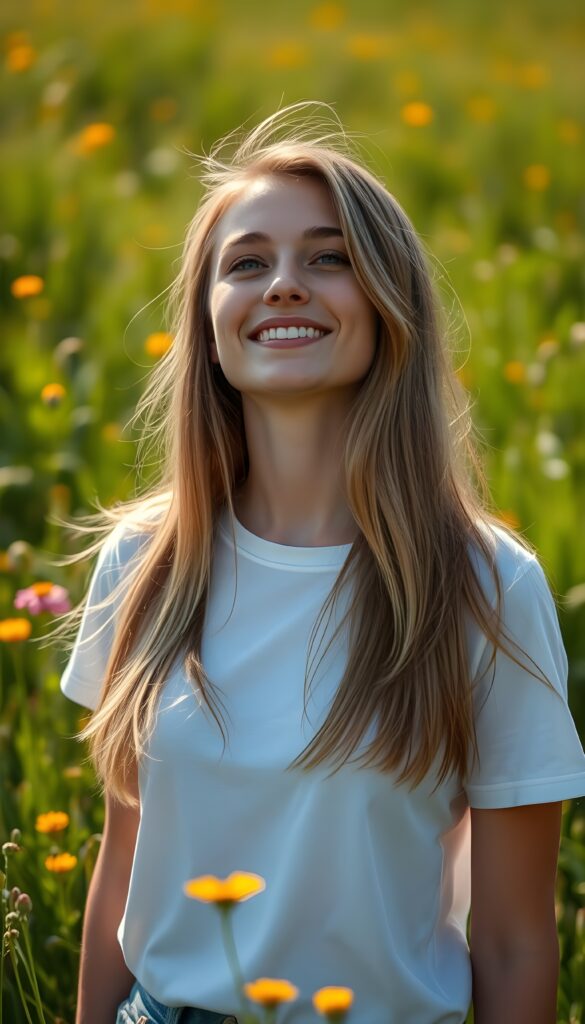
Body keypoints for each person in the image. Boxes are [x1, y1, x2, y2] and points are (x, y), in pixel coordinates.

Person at [59, 101, 585, 1024]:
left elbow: (511, 940)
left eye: (328, 257)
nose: (285, 285)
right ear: (208, 322)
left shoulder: (486, 587)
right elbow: (124, 865)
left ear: (390, 303)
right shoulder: (142, 563)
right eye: (247, 263)